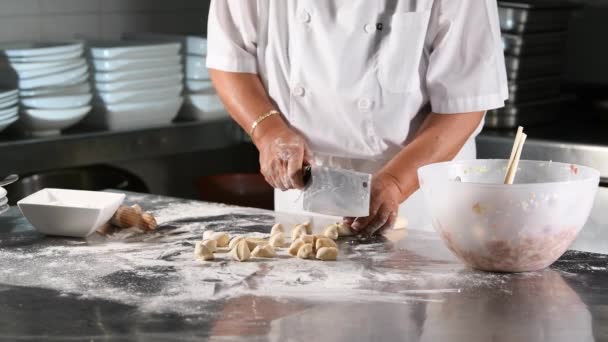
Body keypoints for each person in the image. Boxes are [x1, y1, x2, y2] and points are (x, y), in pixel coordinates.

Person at [207, 1, 508, 236]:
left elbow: (464, 104)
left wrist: (394, 184)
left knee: (413, 306)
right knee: (301, 307)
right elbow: (230, 58)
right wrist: (268, 131)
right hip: (303, 183)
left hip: (415, 195)